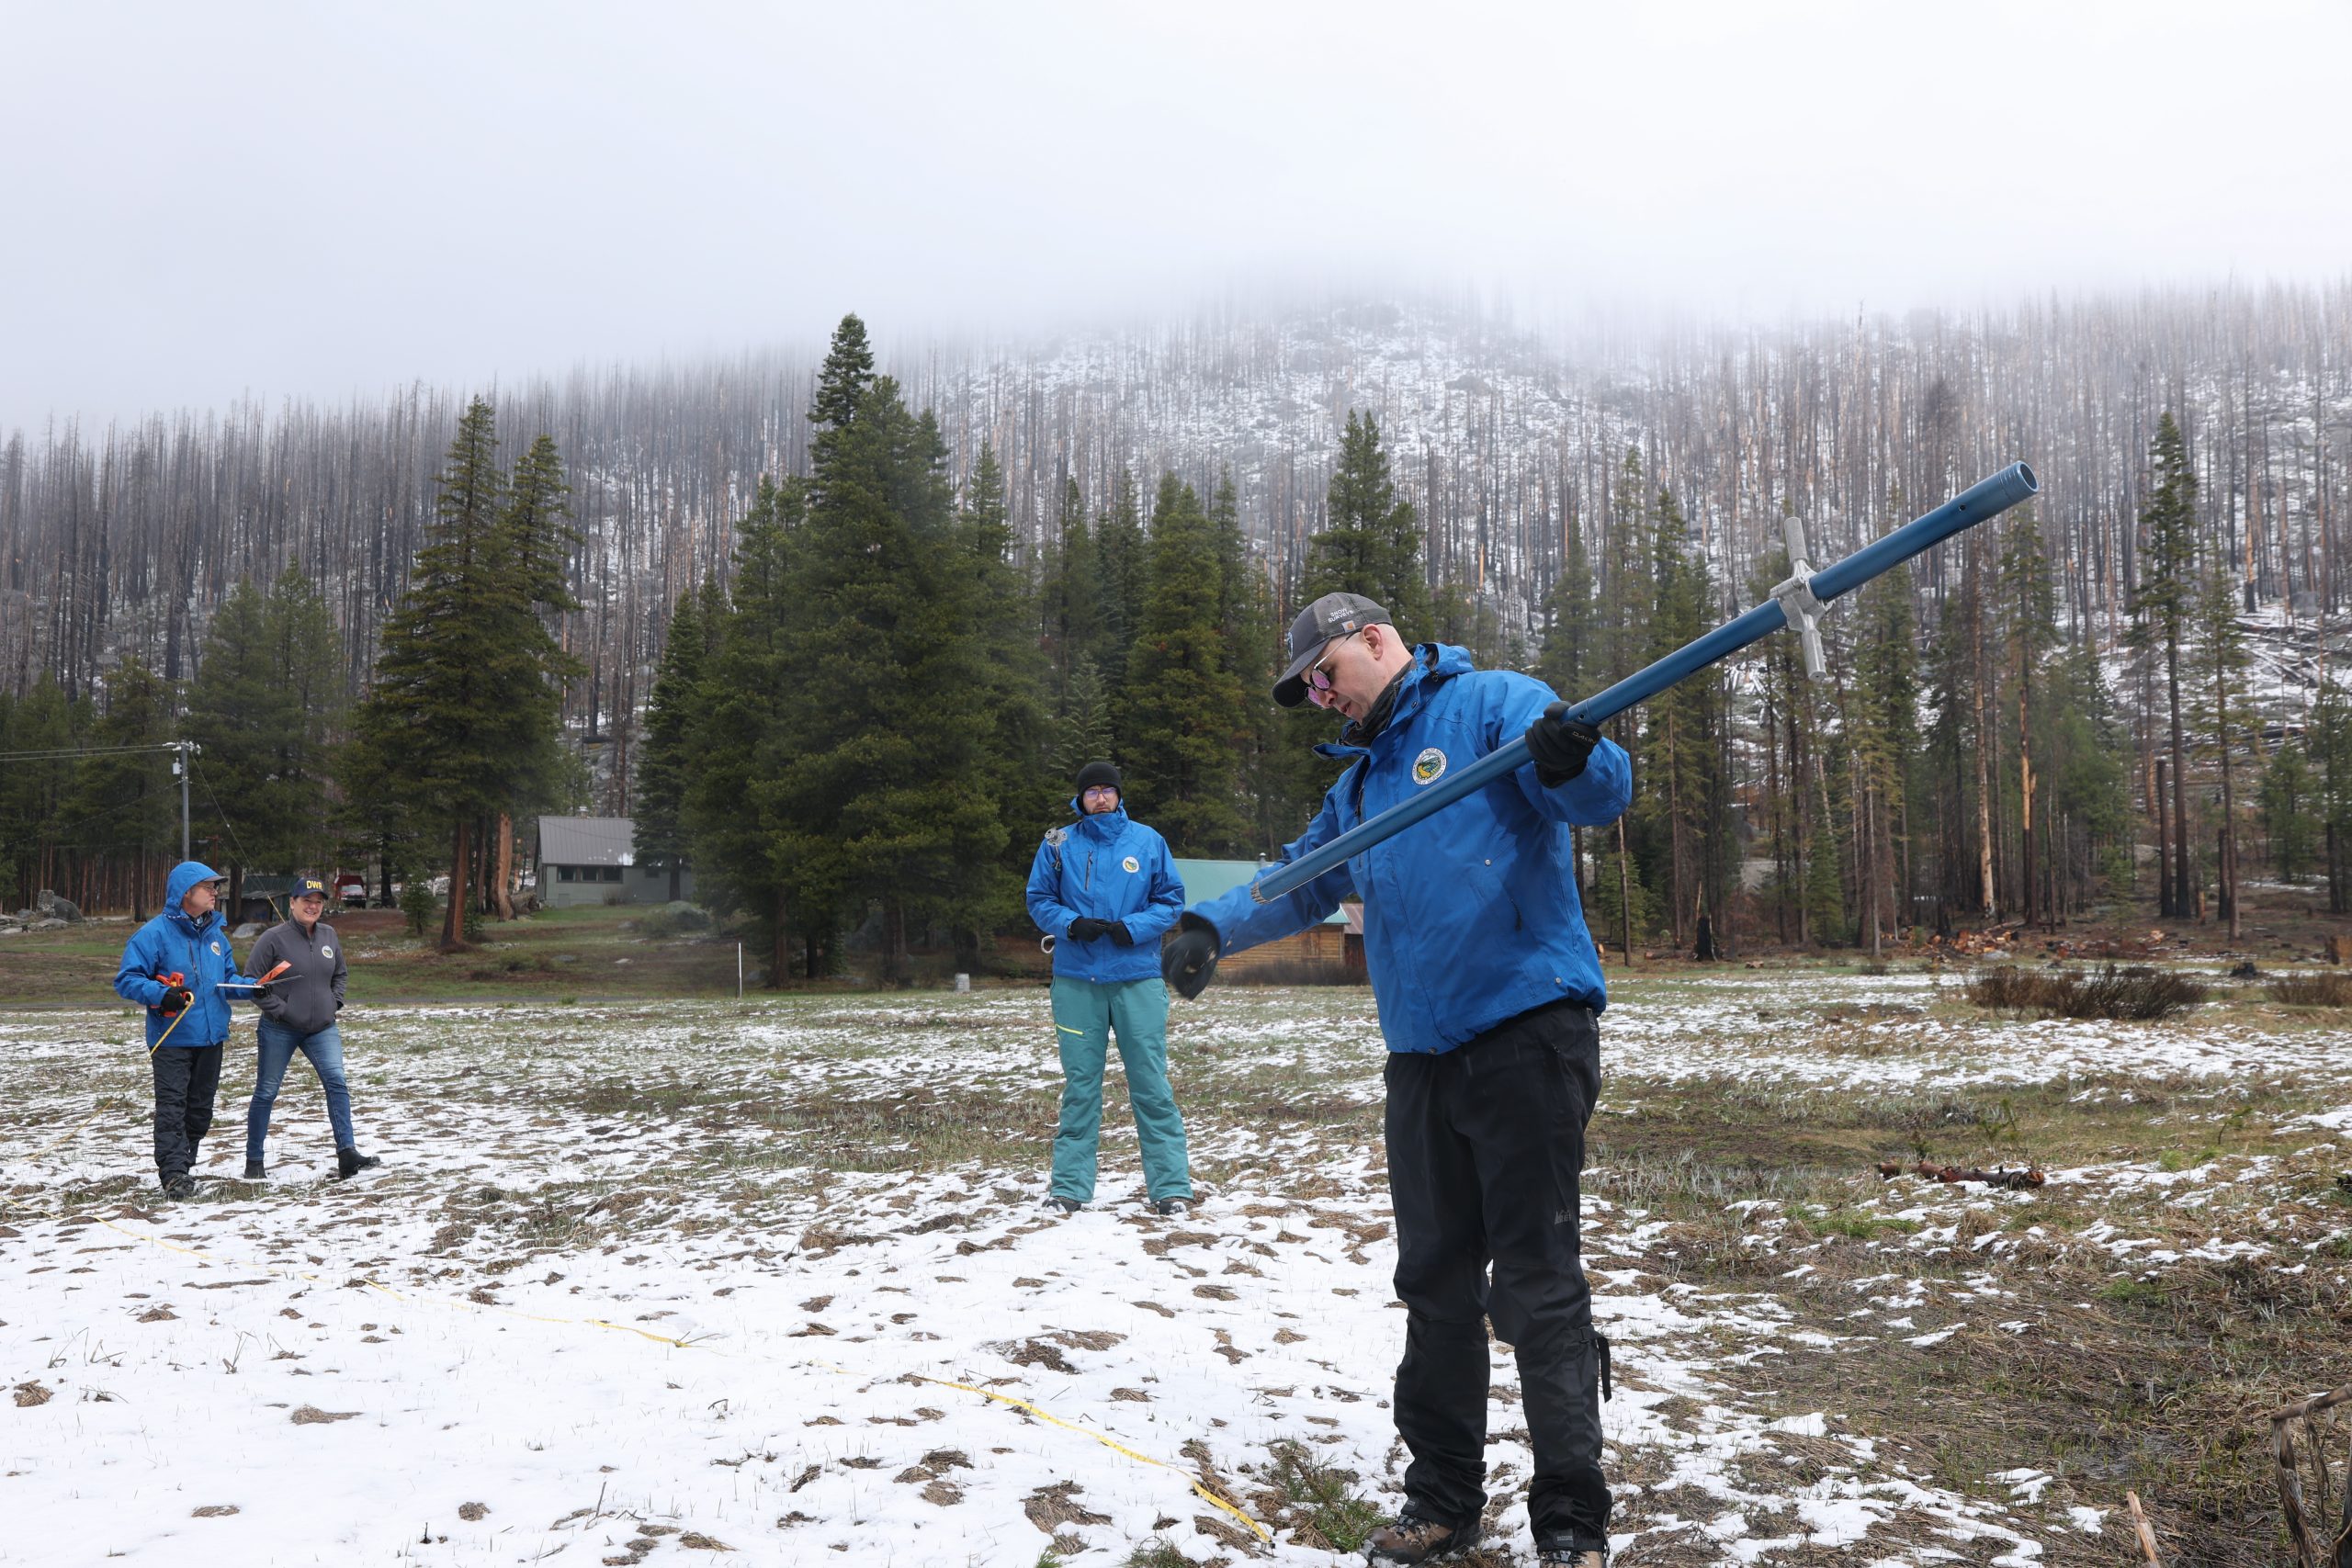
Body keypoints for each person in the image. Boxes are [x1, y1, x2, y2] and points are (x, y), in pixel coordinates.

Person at [1163, 592, 1632, 1568]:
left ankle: (1571, 1517)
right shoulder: (1364, 783)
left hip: (1525, 1028)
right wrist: (1212, 925)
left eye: (1324, 677)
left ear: (1373, 639)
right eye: (1309, 691)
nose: (1323, 698)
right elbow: (1302, 876)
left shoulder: (1492, 704)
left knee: (1535, 1280)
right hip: (1420, 1056)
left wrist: (1571, 757)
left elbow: (1597, 793)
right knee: (1435, 1282)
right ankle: (1444, 1500)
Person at [1023, 761, 1192, 1216]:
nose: (1100, 797)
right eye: (1092, 791)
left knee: (1151, 1085)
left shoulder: (1148, 841)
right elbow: (1039, 899)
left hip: (1137, 979)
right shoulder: (1058, 843)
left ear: (1119, 795)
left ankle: (1171, 1188)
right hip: (1077, 982)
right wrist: (1071, 923)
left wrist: (1131, 928)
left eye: (1107, 790)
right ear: (1080, 799)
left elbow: (1171, 901)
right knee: (1081, 1087)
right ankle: (1068, 1189)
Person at [112, 860, 266, 1199]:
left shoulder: (216, 936)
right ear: (186, 893)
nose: (215, 893)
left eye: (216, 887)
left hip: (211, 1037)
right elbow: (127, 980)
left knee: (200, 1111)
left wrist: (255, 988)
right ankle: (173, 1174)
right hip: (172, 1039)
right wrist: (161, 993)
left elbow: (227, 980)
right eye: (208, 887)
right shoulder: (153, 934)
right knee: (172, 1108)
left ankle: (184, 1163)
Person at [243, 875, 379, 1181]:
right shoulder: (273, 939)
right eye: (307, 901)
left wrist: (334, 1002)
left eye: (318, 903)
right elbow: (251, 983)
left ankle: (347, 1154)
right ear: (292, 903)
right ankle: (254, 1162)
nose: (313, 907)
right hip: (279, 1028)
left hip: (322, 1028)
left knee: (337, 1082)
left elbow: (340, 974)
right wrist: (283, 1010)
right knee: (266, 1091)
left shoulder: (329, 935)